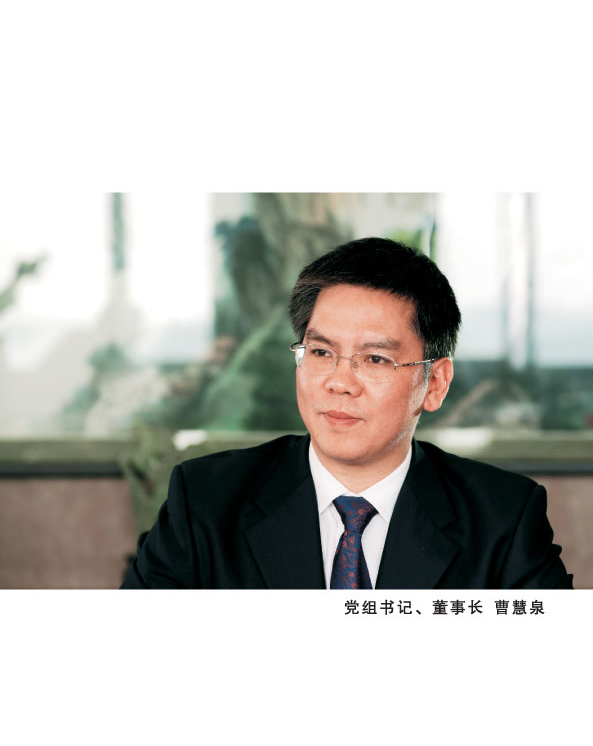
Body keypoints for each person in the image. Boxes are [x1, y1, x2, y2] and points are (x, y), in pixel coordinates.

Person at [121, 237, 573, 589]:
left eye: (375, 359)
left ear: (434, 383)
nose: (339, 382)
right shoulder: (205, 501)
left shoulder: (503, 519)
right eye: (321, 352)